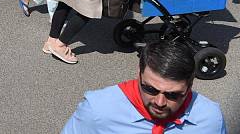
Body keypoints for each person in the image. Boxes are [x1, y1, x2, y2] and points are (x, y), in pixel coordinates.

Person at [61, 40, 227, 133]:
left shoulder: (210, 119)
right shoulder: (98, 110)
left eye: (173, 95)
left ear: (190, 85)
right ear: (139, 73)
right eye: (150, 89)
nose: (160, 102)